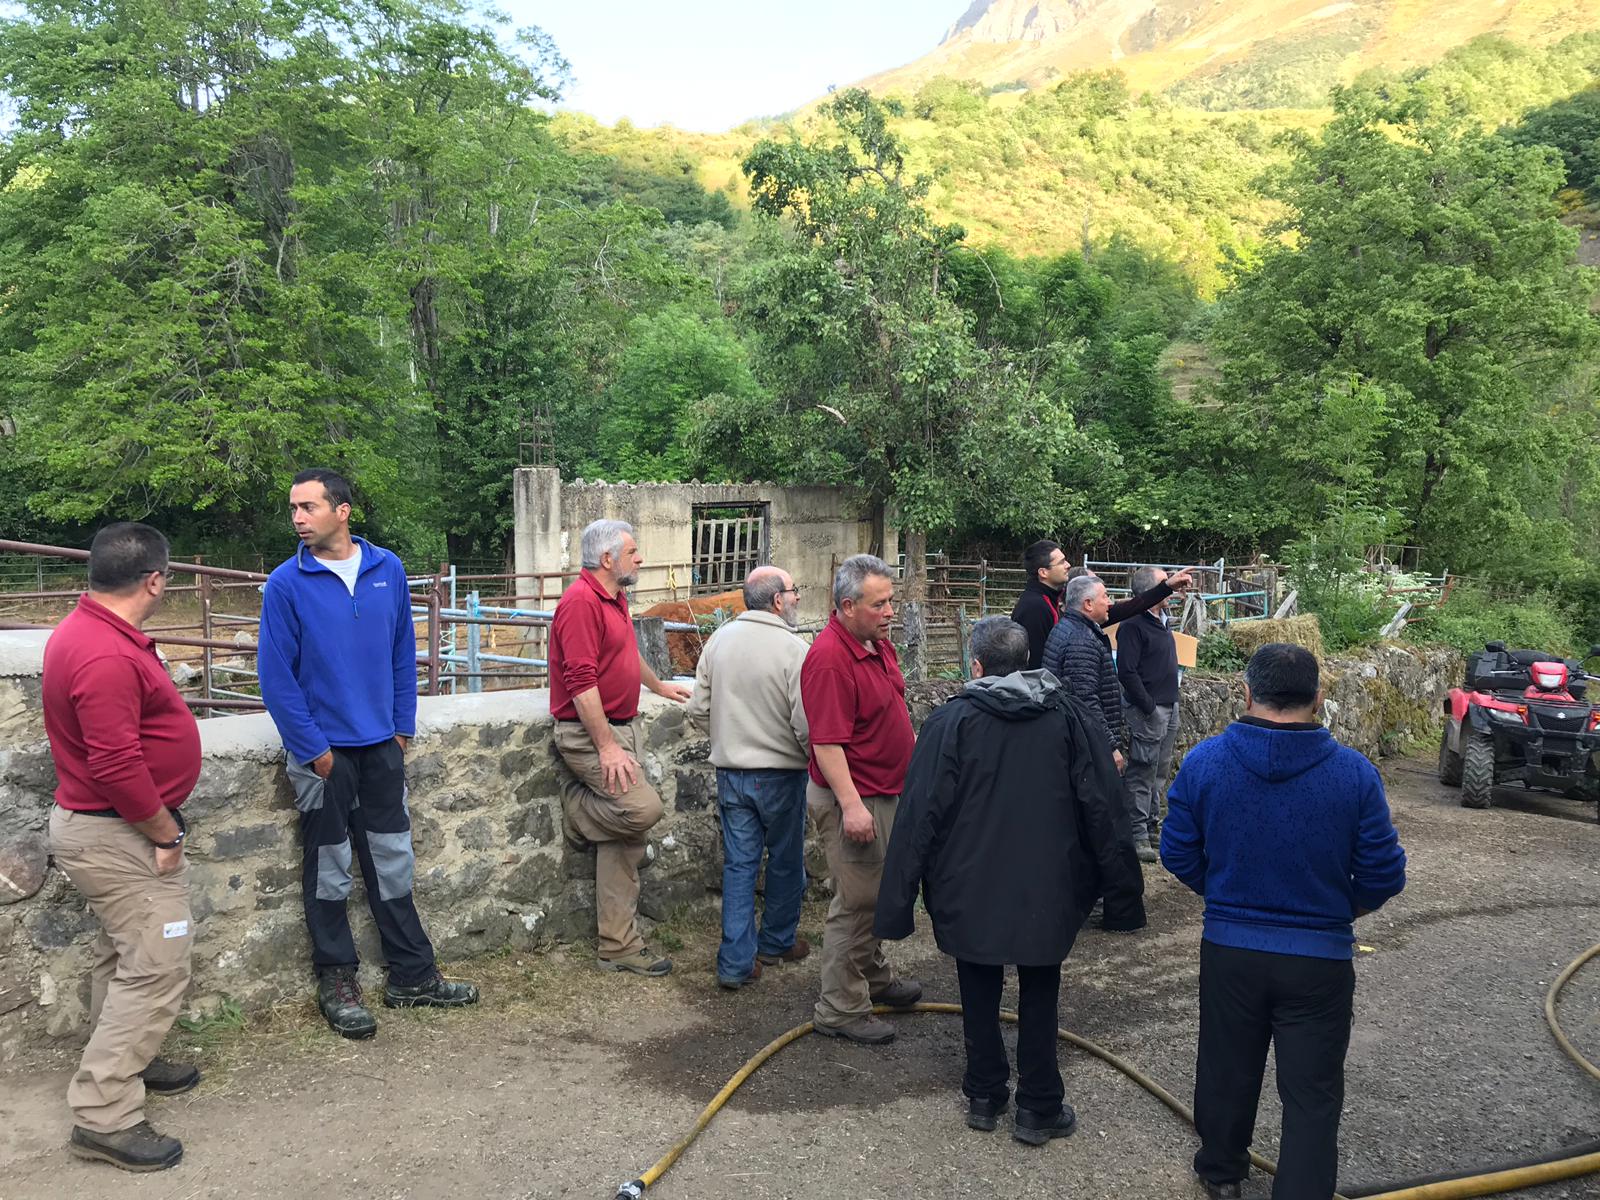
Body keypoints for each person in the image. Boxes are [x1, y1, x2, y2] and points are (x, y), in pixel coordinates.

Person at [876, 618, 1143, 1145]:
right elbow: (1104, 806)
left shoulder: (950, 722)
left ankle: (985, 1092)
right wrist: (1122, 892)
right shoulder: (1067, 718)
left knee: (978, 984)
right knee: (1040, 989)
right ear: (1029, 662)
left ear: (975, 666)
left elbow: (917, 815)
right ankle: (1038, 1105)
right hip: (1048, 882)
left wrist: (898, 902)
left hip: (967, 881)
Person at [1161, 644, 1407, 1200]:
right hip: (1318, 959)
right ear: (1318, 699)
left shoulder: (1206, 761)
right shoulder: (1354, 774)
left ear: (1246, 694)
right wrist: (1341, 911)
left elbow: (1176, 850)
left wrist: (1223, 894)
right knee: (1312, 1093)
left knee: (1226, 1069)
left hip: (1230, 949)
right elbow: (1384, 873)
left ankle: (1221, 1173)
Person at [258, 469, 479, 1039]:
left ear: (343, 510)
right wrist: (315, 752)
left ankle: (413, 975)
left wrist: (401, 729)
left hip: (382, 746)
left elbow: (404, 653)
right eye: (294, 509)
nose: (298, 519)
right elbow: (276, 677)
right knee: (329, 870)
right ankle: (338, 980)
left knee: (392, 861)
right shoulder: (287, 583)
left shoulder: (388, 570)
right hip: (324, 756)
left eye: (308, 507)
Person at [42, 523, 201, 1172]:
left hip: (105, 825)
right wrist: (167, 834)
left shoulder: (86, 632)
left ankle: (132, 1059)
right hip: (121, 831)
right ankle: (104, 1115)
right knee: (159, 961)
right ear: (155, 581)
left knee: (126, 954)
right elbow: (115, 763)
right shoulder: (105, 653)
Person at [549, 519, 692, 976]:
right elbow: (581, 682)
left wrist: (658, 686)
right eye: (633, 551)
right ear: (608, 559)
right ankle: (576, 811)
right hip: (589, 734)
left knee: (625, 841)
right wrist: (607, 747)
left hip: (621, 725)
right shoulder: (579, 604)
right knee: (642, 810)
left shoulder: (614, 596)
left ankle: (618, 944)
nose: (641, 558)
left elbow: (624, 652)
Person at [801, 554, 922, 1044]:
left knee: (874, 895)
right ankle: (839, 1008)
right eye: (880, 604)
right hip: (856, 796)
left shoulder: (874, 644)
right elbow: (826, 743)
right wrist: (851, 806)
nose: (890, 610)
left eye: (891, 600)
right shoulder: (830, 659)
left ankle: (871, 979)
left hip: (883, 791)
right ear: (847, 606)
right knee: (856, 901)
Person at [685, 565, 811, 990]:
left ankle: (736, 963)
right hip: (781, 774)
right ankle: (776, 941)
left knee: (739, 866)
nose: (796, 598)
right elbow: (806, 723)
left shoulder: (719, 641)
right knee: (786, 859)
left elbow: (698, 709)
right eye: (794, 592)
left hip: (732, 772)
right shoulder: (795, 649)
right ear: (777, 600)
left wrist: (728, 735)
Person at [1010, 543, 1191, 670]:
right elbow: (1037, 666)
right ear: (1043, 572)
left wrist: (1166, 587)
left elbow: (1122, 611)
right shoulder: (1034, 608)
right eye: (1061, 562)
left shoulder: (1052, 600)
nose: (1068, 565)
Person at [1117, 565, 1182, 863]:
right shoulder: (1133, 624)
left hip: (1170, 706)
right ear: (1148, 590)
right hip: (1151, 710)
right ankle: (1137, 832)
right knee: (1142, 769)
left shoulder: (1162, 620)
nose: (1169, 586)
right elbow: (1126, 671)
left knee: (1159, 770)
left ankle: (1151, 825)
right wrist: (1148, 705)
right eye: (1163, 583)